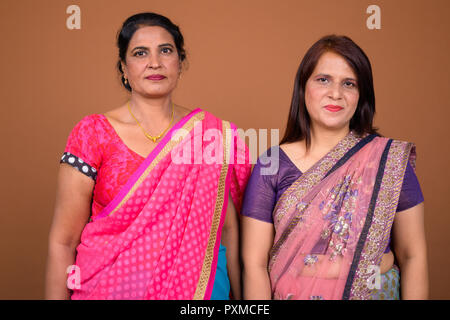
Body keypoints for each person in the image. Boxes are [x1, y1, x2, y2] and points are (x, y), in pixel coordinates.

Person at [45, 12, 251, 300]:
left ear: (180, 62)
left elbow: (227, 229)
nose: (155, 62)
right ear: (124, 68)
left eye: (165, 51)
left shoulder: (209, 134)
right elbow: (63, 241)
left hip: (197, 294)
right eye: (140, 53)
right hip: (108, 290)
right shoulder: (93, 133)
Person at [241, 35, 428, 300]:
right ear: (303, 87)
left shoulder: (388, 160)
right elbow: (255, 265)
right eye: (323, 79)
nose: (335, 93)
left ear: (361, 94)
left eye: (349, 84)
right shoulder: (272, 165)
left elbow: (413, 255)